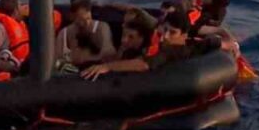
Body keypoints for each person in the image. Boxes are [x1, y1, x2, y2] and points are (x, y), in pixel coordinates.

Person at [80, 12, 221, 80]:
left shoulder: (170, 50)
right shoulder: (159, 37)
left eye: (172, 32)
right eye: (165, 30)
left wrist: (107, 67)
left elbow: (144, 64)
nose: (166, 36)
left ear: (183, 35)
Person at [55, 0, 115, 66]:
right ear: (72, 17)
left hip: (98, 67)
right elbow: (58, 59)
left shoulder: (102, 28)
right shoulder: (64, 33)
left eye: (88, 18)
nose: (87, 23)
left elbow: (108, 53)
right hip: (73, 69)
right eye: (81, 20)